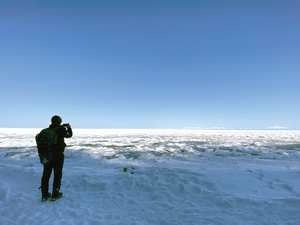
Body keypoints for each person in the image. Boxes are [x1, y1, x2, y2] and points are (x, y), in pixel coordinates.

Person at [41, 115, 73, 202]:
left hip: (47, 156)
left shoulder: (45, 131)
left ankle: (44, 195)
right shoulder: (61, 130)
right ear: (59, 122)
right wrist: (68, 127)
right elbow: (69, 135)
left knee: (46, 175)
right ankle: (55, 194)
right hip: (58, 155)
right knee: (57, 174)